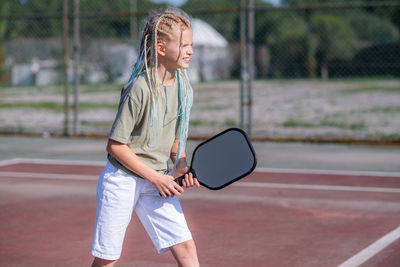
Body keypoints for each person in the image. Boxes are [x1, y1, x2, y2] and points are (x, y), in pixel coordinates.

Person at [91, 8, 200, 267]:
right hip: (122, 179)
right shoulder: (139, 88)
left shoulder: (184, 88)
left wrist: (181, 164)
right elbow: (116, 146)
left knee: (186, 247)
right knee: (107, 259)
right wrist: (156, 178)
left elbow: (176, 139)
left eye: (191, 45)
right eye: (184, 45)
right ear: (161, 48)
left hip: (157, 180)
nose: (190, 51)